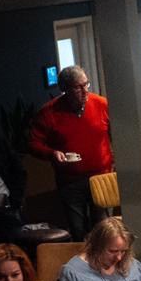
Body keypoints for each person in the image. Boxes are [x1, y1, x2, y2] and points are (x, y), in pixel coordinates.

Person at [28, 66, 113, 238]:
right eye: (77, 87)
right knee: (77, 229)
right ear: (65, 89)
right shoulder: (49, 112)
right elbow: (33, 143)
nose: (84, 91)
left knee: (103, 229)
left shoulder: (101, 104)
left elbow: (118, 134)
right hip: (70, 181)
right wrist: (52, 153)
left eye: (86, 85)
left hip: (101, 177)